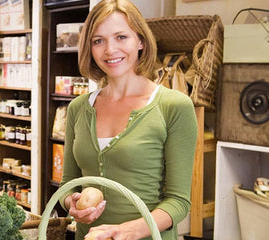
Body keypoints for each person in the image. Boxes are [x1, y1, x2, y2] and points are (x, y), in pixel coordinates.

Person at [58, 0, 198, 239]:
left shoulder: (174, 106)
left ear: (141, 41)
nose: (110, 50)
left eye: (121, 37)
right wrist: (72, 201)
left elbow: (178, 202)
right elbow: (69, 182)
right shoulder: (78, 108)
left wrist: (126, 231)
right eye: (98, 41)